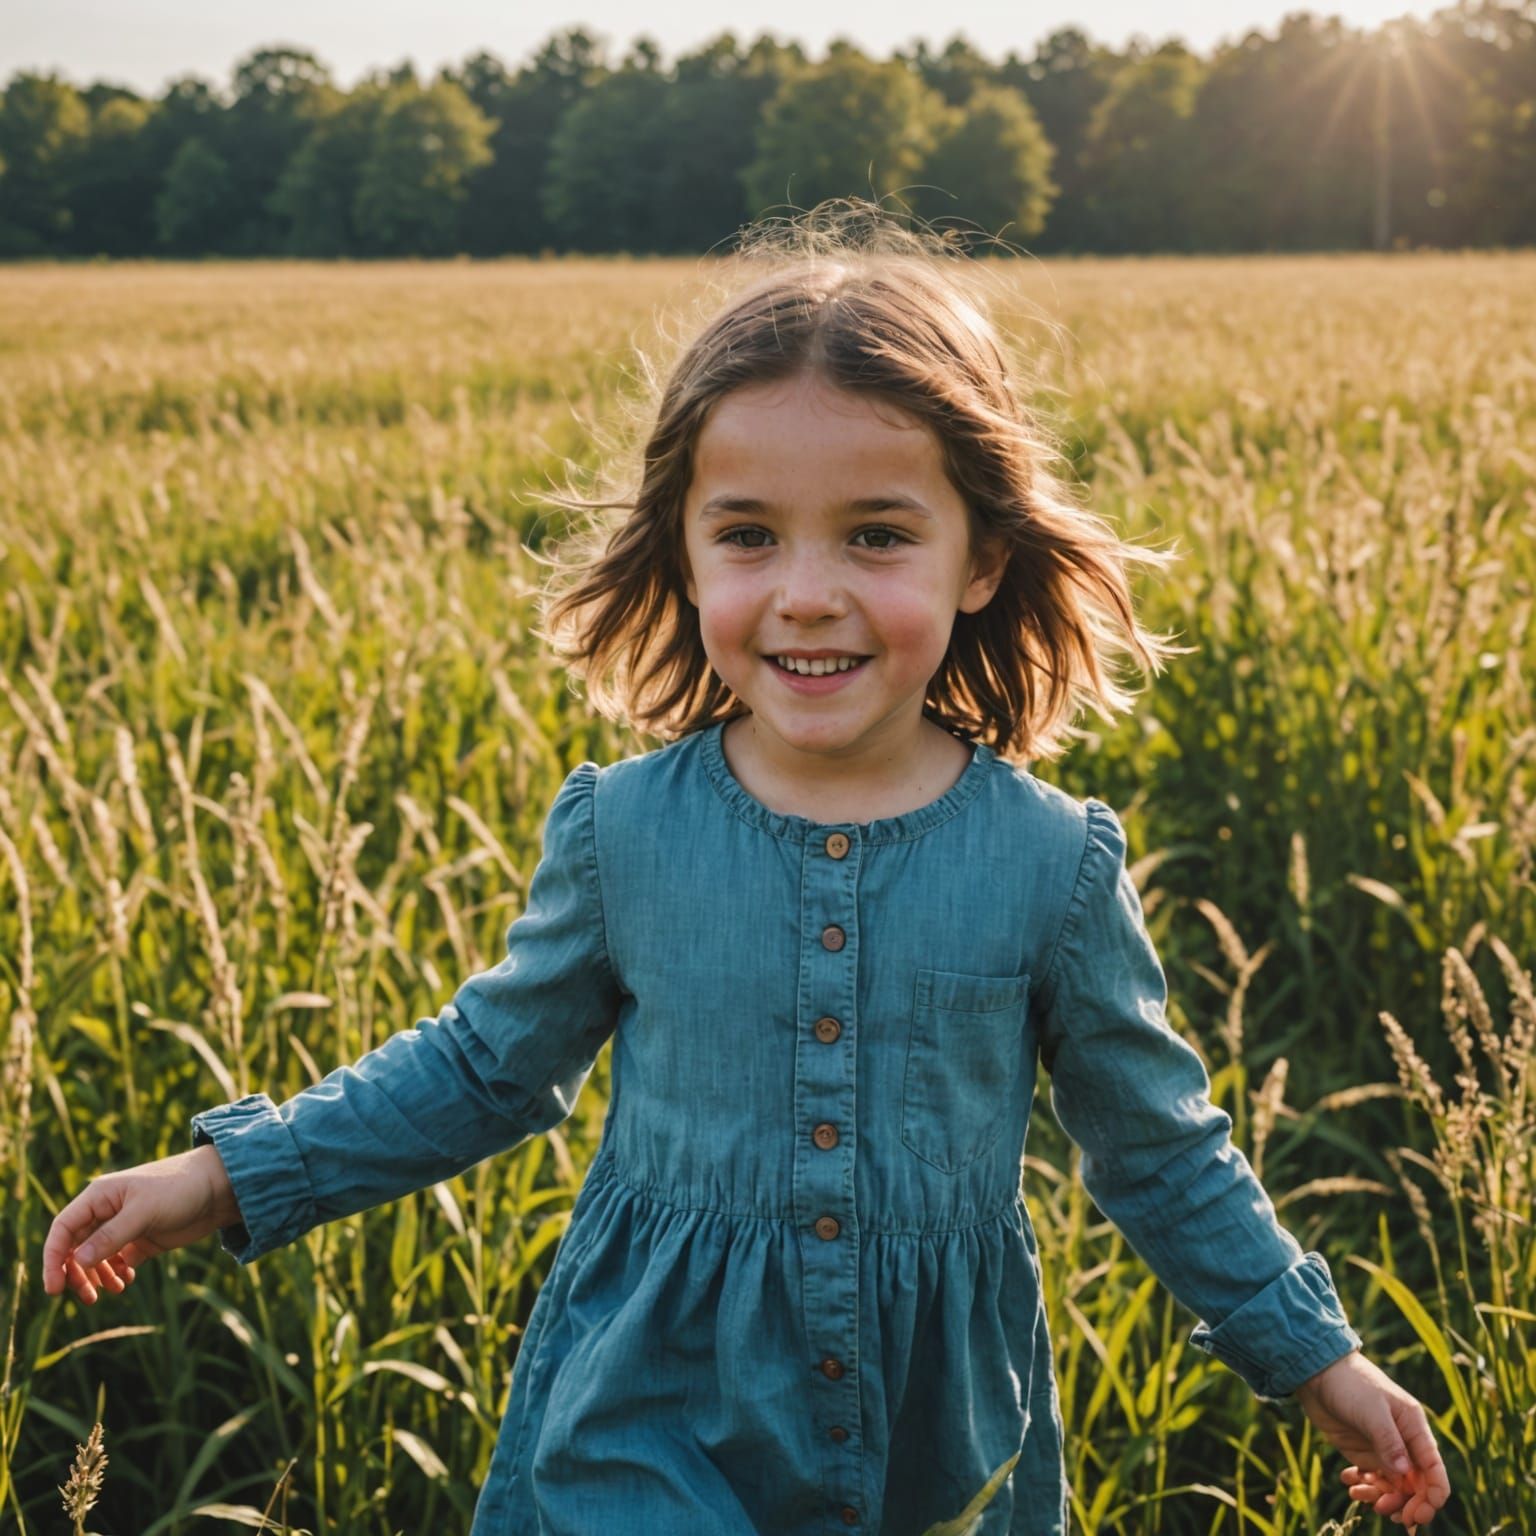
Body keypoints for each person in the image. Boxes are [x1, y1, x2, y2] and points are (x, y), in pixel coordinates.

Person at [42, 202, 1450, 1534]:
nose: (810, 591)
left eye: (879, 534)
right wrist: (227, 1178)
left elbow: (1155, 1147)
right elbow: (484, 1069)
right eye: (750, 536)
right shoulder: (625, 832)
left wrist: (1312, 1356)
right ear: (685, 551)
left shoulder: (1051, 864)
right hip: (647, 1415)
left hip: (934, 1441)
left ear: (981, 558)